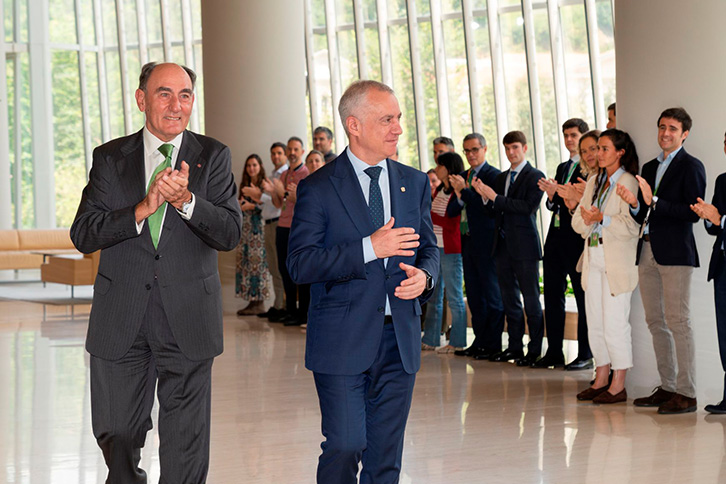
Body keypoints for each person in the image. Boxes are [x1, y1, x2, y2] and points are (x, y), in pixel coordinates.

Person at [70, 62, 241, 482]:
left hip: (188, 315)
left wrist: (187, 202)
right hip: (121, 313)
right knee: (118, 430)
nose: (175, 104)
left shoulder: (213, 156)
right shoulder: (111, 158)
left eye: (184, 95)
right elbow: (83, 233)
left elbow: (230, 233)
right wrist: (142, 209)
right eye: (164, 93)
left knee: (186, 441)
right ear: (142, 99)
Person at [287, 80, 438, 484]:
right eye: (386, 119)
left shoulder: (414, 182)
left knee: (385, 456)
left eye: (399, 119)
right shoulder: (318, 188)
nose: (398, 129)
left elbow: (429, 248)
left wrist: (425, 277)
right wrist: (369, 248)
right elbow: (300, 264)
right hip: (341, 339)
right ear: (354, 125)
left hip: (399, 338)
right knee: (346, 443)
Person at [616, 107, 706, 414]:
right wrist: (634, 204)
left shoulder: (691, 166)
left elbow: (690, 213)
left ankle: (687, 392)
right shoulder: (651, 167)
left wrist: (653, 200)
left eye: (672, 128)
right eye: (661, 127)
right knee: (656, 321)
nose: (665, 133)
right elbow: (645, 212)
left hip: (676, 253)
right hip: (648, 249)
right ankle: (668, 387)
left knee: (679, 322)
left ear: (684, 134)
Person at [572, 129, 641, 404]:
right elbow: (578, 222)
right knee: (596, 323)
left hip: (616, 262)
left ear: (620, 152)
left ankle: (618, 383)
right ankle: (600, 377)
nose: (597, 154)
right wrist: (591, 220)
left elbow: (632, 227)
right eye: (596, 149)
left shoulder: (628, 182)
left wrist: (603, 219)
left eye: (604, 149)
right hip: (593, 257)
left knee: (615, 324)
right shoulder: (593, 181)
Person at [473, 130, 545, 367]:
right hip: (502, 246)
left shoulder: (535, 175)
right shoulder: (502, 177)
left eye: (515, 147)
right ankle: (514, 347)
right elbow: (493, 211)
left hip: (524, 247)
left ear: (525, 148)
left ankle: (534, 350)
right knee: (509, 300)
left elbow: (527, 207)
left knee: (531, 300)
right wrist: (485, 198)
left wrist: (495, 197)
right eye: (507, 148)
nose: (511, 152)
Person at [535, 118, 593, 370]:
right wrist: (550, 197)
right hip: (555, 239)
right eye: (566, 135)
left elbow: (581, 203)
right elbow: (555, 205)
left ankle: (585, 353)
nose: (569, 139)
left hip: (577, 240)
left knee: (582, 298)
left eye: (574, 135)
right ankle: (555, 351)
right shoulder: (562, 167)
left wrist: (566, 197)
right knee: (553, 295)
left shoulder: (589, 169)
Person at [447, 133, 504, 360]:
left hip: (487, 242)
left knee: (491, 293)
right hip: (467, 241)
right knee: (473, 293)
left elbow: (489, 209)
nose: (470, 155)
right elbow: (452, 210)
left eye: (474, 150)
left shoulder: (494, 175)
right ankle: (479, 341)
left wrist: (466, 192)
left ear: (484, 149)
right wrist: (461, 194)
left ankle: (493, 343)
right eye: (467, 151)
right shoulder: (463, 176)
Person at [690, 131, 726, 414]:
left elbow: (721, 219)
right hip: (723, 265)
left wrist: (720, 218)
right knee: (724, 334)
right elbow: (714, 227)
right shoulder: (722, 181)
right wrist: (708, 218)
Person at [422, 152, 467, 353]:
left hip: (450, 250)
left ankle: (457, 341)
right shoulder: (440, 190)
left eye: (440, 166)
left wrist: (430, 216)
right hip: (435, 248)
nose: (437, 169)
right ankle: (431, 339)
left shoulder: (457, 193)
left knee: (455, 297)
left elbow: (451, 222)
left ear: (448, 168)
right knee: (434, 296)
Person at [269, 136, 310, 326]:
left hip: (297, 228)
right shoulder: (284, 175)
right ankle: (290, 310)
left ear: (302, 152)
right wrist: (276, 192)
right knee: (284, 270)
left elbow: (303, 202)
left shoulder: (306, 173)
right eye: (290, 150)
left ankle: (303, 313)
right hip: (282, 226)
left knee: (298, 270)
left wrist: (285, 193)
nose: (292, 153)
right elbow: (280, 204)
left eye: (296, 150)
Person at [255, 142, 288, 320]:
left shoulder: (285, 174)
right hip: (268, 222)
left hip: (279, 222)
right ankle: (278, 303)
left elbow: (281, 201)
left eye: (279, 153)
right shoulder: (273, 174)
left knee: (280, 266)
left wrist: (262, 194)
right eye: (273, 153)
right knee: (273, 266)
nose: (276, 156)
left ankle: (283, 305)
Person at [236, 154, 270, 315]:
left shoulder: (265, 185)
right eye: (249, 165)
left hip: (260, 229)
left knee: (259, 265)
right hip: (247, 229)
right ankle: (251, 300)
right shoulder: (244, 184)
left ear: (260, 166)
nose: (251, 168)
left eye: (254, 165)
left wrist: (251, 206)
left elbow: (270, 206)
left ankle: (260, 302)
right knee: (248, 265)